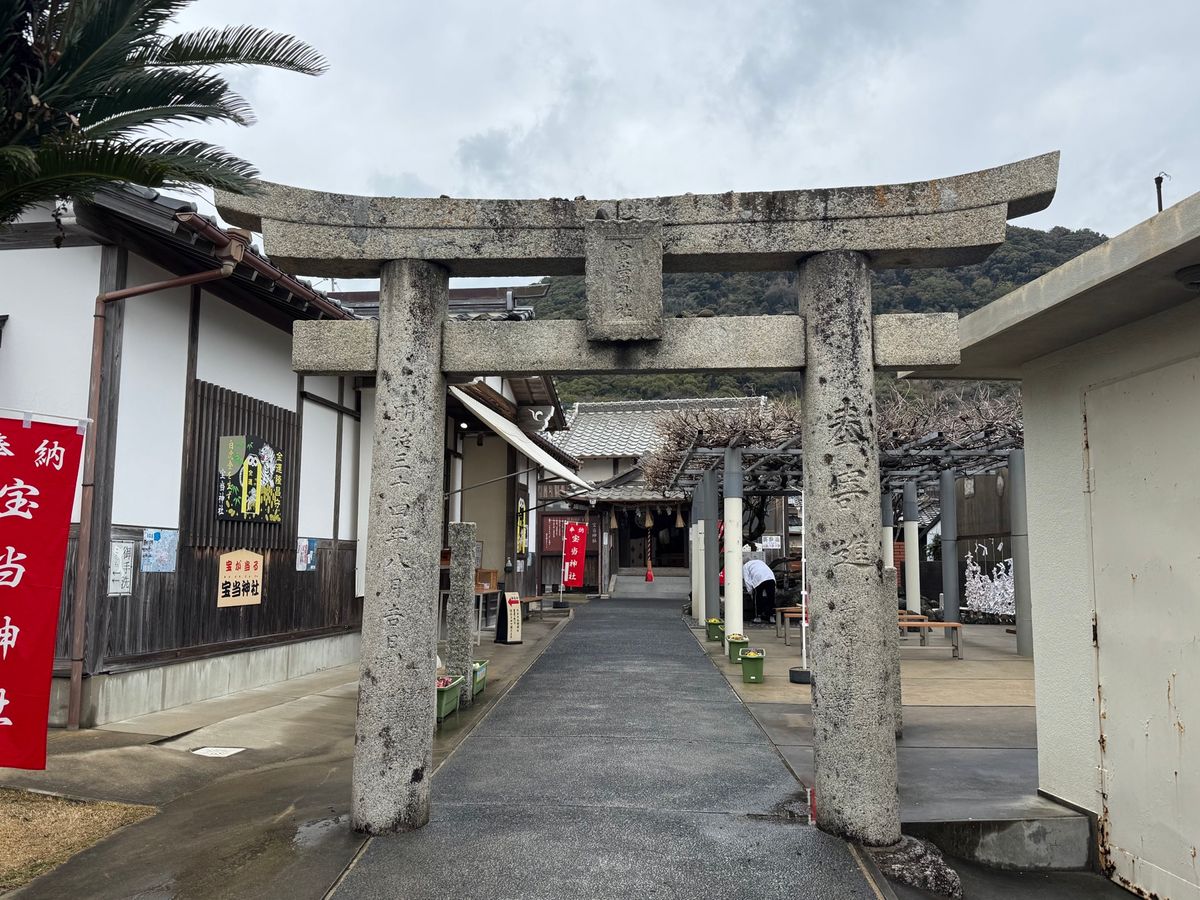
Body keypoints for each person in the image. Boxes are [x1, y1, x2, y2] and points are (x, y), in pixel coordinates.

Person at [743, 554, 776, 623]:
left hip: (759, 579)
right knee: (771, 598)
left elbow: (747, 580)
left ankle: (758, 617)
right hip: (771, 578)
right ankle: (771, 617)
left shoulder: (746, 566)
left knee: (758, 598)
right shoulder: (760, 562)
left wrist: (750, 591)